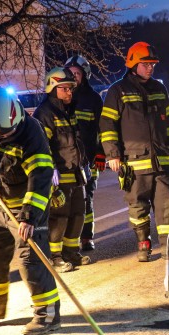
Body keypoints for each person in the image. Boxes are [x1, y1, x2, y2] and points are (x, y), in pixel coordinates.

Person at [0, 87, 61, 335]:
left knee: (31, 260)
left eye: (8, 132)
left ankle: (47, 314)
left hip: (29, 202)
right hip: (1, 200)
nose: (2, 136)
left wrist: (29, 216)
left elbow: (40, 176)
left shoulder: (32, 132)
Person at [100, 41, 169, 262]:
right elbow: (108, 125)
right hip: (134, 162)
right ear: (133, 64)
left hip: (162, 159)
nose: (150, 68)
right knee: (138, 205)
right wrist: (113, 154)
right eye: (145, 64)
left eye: (152, 64)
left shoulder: (159, 88)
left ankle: (168, 247)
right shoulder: (118, 91)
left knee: (168, 206)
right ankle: (143, 244)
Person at [33, 67, 91, 272]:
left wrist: (84, 163)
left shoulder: (69, 110)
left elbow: (76, 142)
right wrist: (51, 169)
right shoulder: (45, 113)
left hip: (75, 172)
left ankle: (71, 252)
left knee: (78, 213)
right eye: (65, 89)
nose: (69, 93)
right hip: (59, 174)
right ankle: (54, 257)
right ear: (53, 88)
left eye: (71, 89)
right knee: (59, 216)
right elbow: (42, 145)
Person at [65, 55, 104, 252]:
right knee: (68, 201)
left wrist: (101, 153)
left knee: (86, 198)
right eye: (70, 74)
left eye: (77, 74)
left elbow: (102, 129)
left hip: (89, 159)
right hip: (67, 161)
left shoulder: (93, 99)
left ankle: (86, 238)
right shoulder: (62, 97)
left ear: (85, 75)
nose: (73, 77)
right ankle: (69, 239)